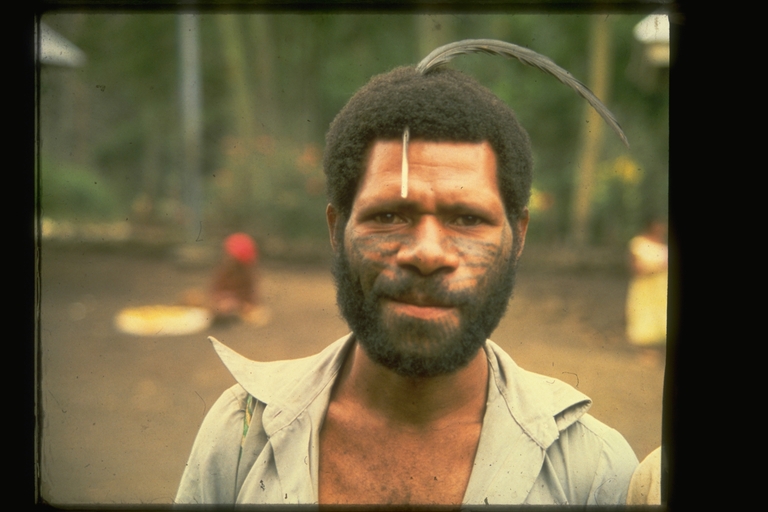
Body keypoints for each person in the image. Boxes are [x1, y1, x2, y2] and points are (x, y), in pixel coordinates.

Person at [176, 65, 638, 506]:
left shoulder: (594, 471)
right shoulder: (240, 436)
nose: (428, 253)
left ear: (518, 237)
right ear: (336, 230)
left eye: (467, 219)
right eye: (389, 216)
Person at [625, 219, 668, 364]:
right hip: (645, 286)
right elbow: (635, 266)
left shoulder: (663, 245)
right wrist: (653, 268)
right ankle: (645, 351)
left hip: (662, 286)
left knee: (662, 316)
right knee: (644, 315)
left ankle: (659, 351)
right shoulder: (639, 243)